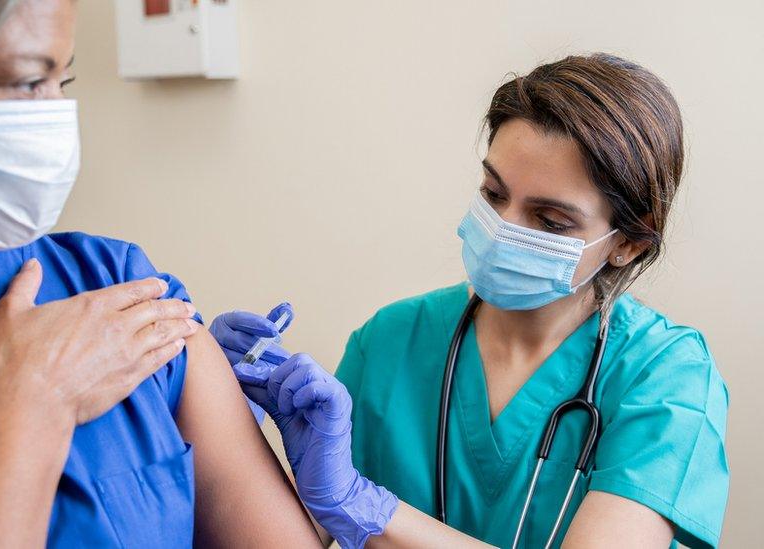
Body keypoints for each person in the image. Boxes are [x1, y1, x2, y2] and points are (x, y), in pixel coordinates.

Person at [0, 1, 322, 547]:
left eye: (61, 79)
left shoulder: (114, 286)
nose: (57, 118)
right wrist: (35, 404)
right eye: (26, 83)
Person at [211, 54, 729, 548]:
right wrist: (220, 417)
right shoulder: (390, 340)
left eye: (550, 222)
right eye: (493, 193)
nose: (503, 230)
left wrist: (360, 505)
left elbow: (343, 504)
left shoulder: (667, 379)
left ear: (627, 243)